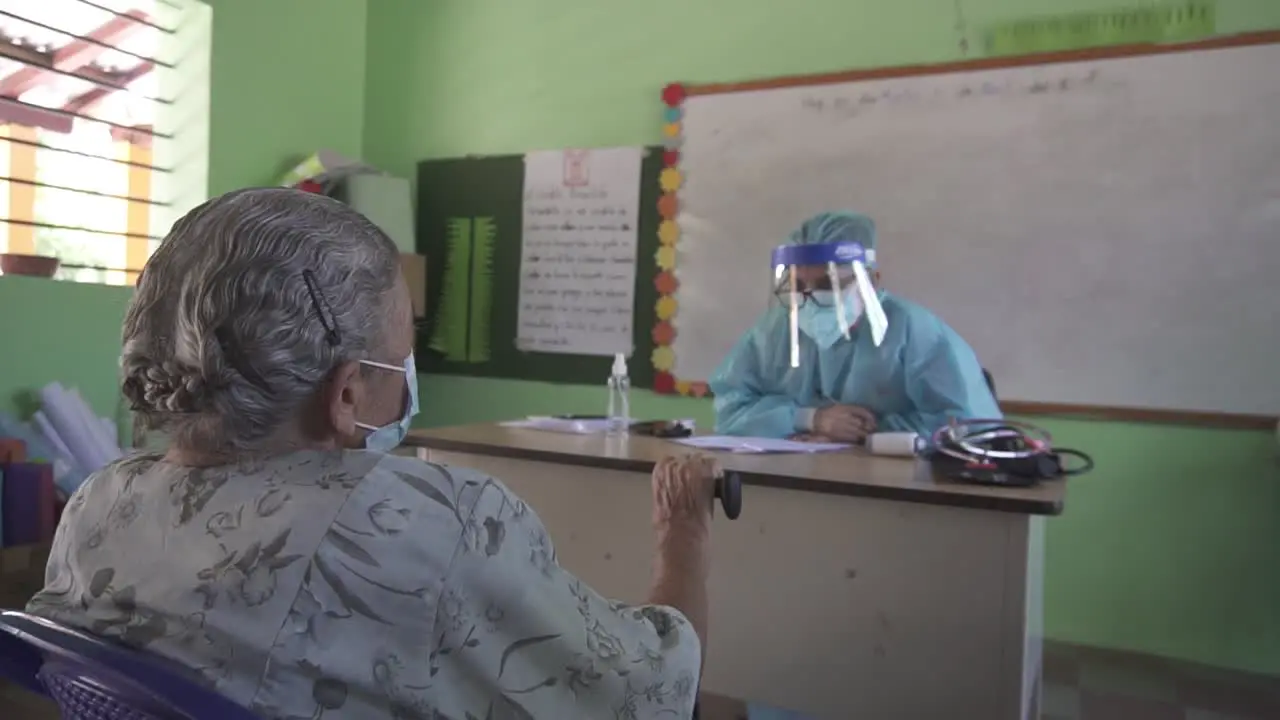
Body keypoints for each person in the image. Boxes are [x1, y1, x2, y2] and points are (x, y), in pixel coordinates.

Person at [26, 188, 719, 719]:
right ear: (348, 395)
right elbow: (646, 694)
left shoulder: (98, 502)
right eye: (401, 360)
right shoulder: (430, 524)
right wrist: (683, 535)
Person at [710, 211, 1000, 442]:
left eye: (827, 285)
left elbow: (964, 425)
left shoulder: (914, 332)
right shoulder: (773, 331)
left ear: (871, 282)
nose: (808, 299)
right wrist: (812, 419)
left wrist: (863, 432)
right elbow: (730, 410)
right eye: (798, 286)